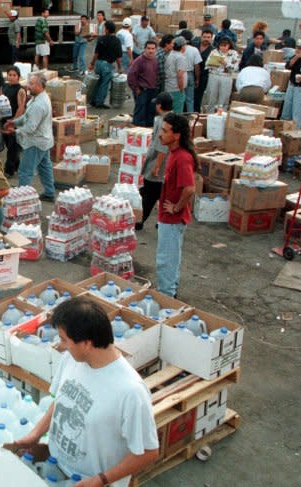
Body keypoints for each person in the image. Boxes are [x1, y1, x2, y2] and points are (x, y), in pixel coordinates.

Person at [15, 296, 158, 487]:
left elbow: (148, 452)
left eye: (64, 340)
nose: (60, 345)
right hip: (55, 475)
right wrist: (36, 433)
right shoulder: (72, 360)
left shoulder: (130, 392)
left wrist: (101, 480)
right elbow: (61, 401)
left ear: (87, 343)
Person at [156, 113, 196, 298]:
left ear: (177, 135)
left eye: (165, 131)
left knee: (166, 261)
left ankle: (166, 297)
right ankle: (169, 291)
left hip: (173, 219)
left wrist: (176, 207)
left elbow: (189, 189)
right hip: (168, 218)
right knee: (170, 258)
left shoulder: (182, 158)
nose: (160, 134)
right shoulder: (173, 153)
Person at [5, 74, 55, 202]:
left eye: (32, 84)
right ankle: (49, 192)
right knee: (45, 167)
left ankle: (22, 199)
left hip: (36, 142)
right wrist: (15, 122)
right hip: (44, 140)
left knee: (25, 171)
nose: (28, 86)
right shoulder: (38, 98)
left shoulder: (39, 104)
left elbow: (30, 127)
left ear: (40, 86)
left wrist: (15, 131)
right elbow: (27, 116)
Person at [137, 93, 173, 231]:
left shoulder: (165, 122)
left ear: (159, 105)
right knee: (160, 194)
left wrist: (156, 167)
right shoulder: (168, 119)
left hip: (159, 164)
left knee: (149, 195)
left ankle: (139, 221)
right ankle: (162, 221)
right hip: (164, 165)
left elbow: (162, 148)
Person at [90, 20, 123, 109]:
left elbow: (96, 54)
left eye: (105, 28)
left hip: (99, 63)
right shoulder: (117, 41)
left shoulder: (101, 39)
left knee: (97, 82)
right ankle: (99, 102)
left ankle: (93, 100)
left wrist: (92, 64)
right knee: (104, 84)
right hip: (108, 65)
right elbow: (118, 57)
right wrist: (120, 67)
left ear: (107, 30)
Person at [202, 37, 240, 112]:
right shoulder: (214, 52)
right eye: (221, 45)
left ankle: (222, 113)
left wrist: (226, 64)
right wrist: (213, 63)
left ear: (229, 45)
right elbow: (207, 64)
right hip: (214, 75)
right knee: (211, 96)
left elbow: (235, 68)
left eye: (225, 45)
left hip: (226, 76)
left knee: (224, 97)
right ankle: (210, 113)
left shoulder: (234, 53)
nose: (223, 47)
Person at [1, 66, 27, 176]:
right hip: (4, 119)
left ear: (18, 77)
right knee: (9, 144)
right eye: (10, 75)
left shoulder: (20, 90)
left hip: (14, 121)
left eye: (14, 75)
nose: (11, 77)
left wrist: (13, 122)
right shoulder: (4, 87)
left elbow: (21, 107)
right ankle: (17, 166)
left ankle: (9, 170)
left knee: (12, 146)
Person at [127, 41, 158, 127]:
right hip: (142, 91)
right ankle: (137, 130)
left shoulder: (155, 60)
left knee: (150, 112)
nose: (150, 51)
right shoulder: (139, 61)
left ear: (156, 49)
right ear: (145, 49)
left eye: (153, 49)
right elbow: (131, 75)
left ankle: (148, 131)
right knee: (140, 112)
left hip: (153, 90)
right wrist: (136, 89)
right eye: (148, 48)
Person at [181, 32, 203, 113]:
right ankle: (190, 116)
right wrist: (197, 79)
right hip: (190, 74)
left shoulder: (178, 49)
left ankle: (179, 115)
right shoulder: (194, 50)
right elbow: (197, 66)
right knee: (190, 99)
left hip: (180, 74)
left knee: (180, 98)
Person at [164, 37, 188, 113]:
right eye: (185, 45)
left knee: (169, 112)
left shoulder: (171, 54)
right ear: (182, 46)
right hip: (176, 89)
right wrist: (181, 89)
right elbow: (180, 75)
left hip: (169, 86)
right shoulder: (180, 57)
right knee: (177, 113)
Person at [194, 29, 214, 112]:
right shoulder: (194, 46)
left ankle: (196, 112)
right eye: (204, 37)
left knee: (198, 96)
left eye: (208, 37)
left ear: (211, 38)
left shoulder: (213, 51)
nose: (206, 39)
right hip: (192, 74)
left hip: (204, 77)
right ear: (201, 37)